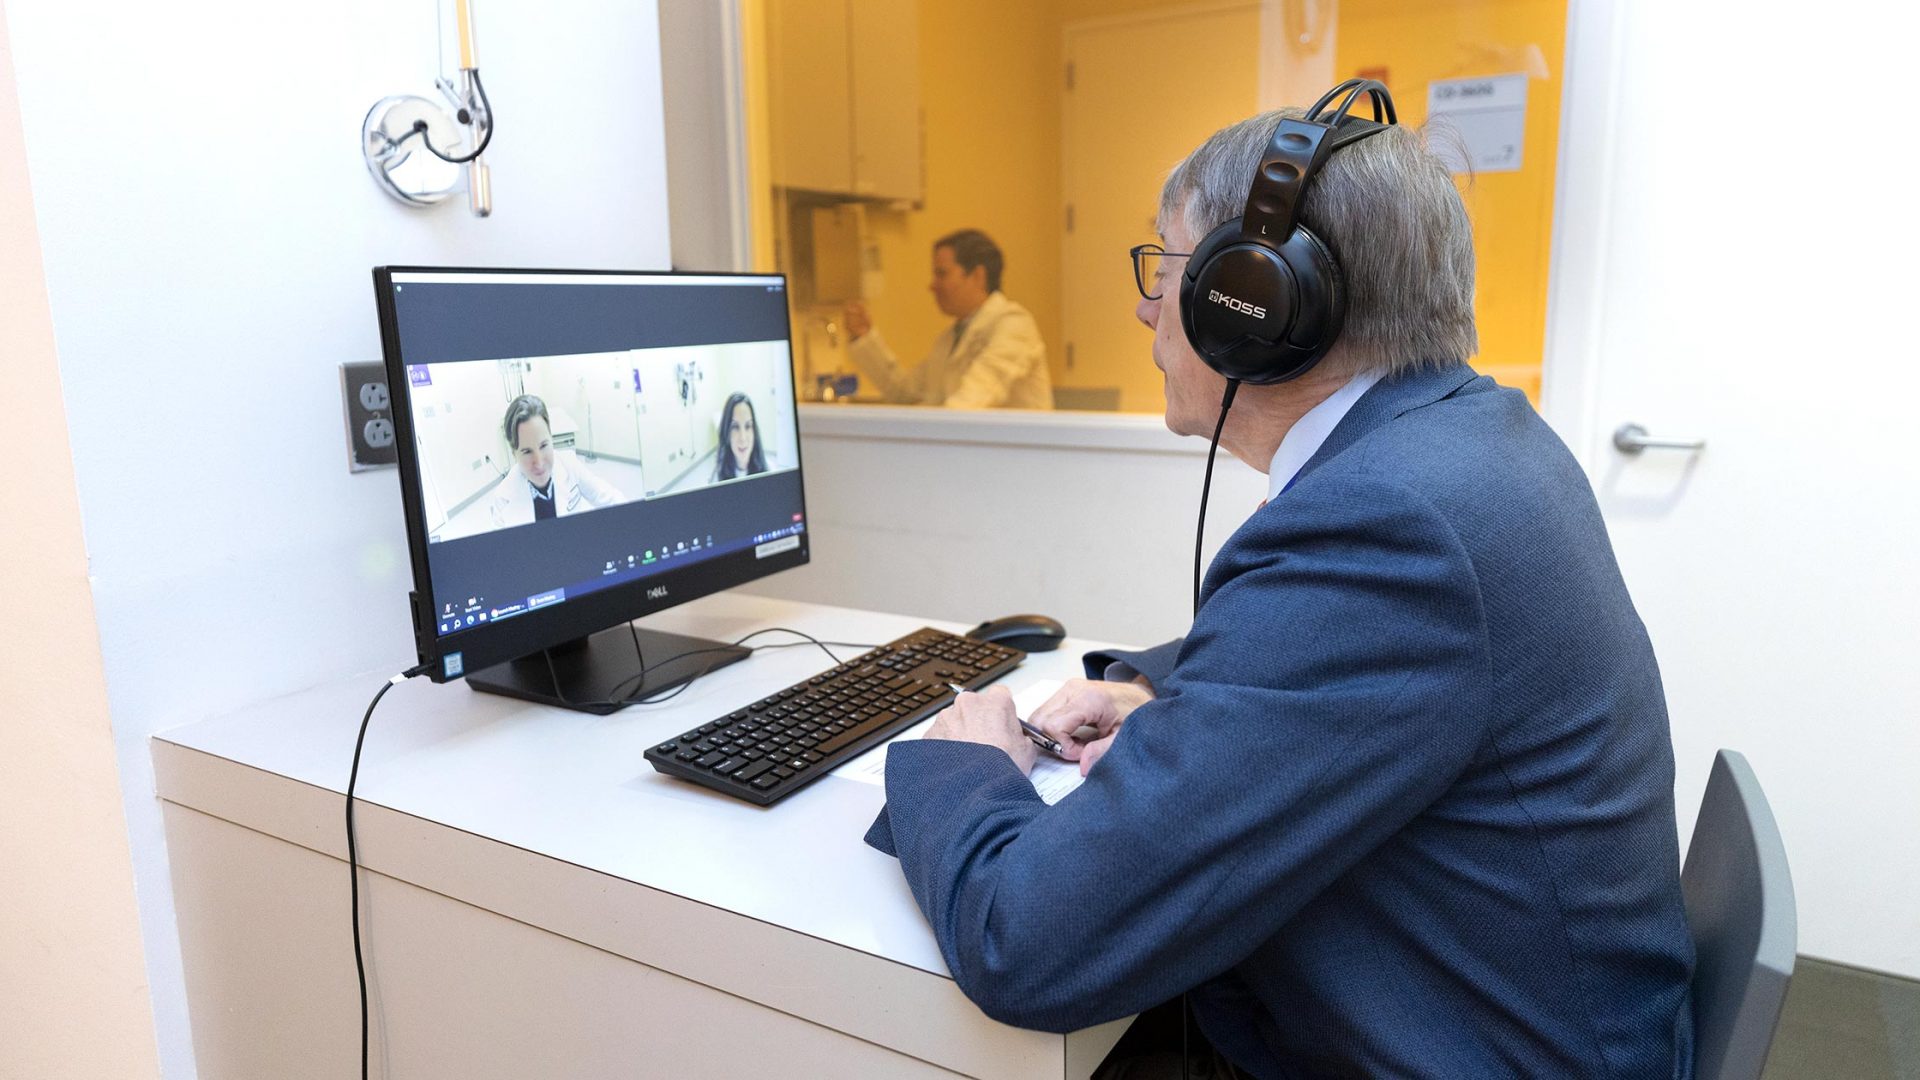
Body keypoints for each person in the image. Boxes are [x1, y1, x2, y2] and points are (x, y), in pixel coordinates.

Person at [865, 98, 1696, 1077]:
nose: (1143, 308)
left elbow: (1033, 942)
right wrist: (1162, 695)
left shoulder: (1385, 528)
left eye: (1164, 270)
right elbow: (1356, 669)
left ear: (1252, 303)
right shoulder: (1471, 442)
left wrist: (967, 765)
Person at [843, 228, 1052, 409]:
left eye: (942, 274)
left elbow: (973, 400)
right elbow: (904, 394)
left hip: (1014, 454)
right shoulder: (950, 339)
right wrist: (864, 338)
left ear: (978, 276)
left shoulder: (1014, 326)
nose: (932, 285)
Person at [488, 395, 623, 528]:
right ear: (514, 454)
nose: (539, 462)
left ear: (551, 439)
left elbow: (607, 496)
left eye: (544, 446)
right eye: (527, 452)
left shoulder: (569, 464)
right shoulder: (503, 500)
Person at [712, 392, 768, 481]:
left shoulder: (770, 472)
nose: (743, 438)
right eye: (735, 427)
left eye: (748, 426)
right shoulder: (716, 480)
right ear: (727, 432)